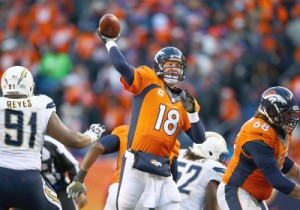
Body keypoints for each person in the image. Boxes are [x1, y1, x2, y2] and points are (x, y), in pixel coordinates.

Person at [97, 25, 206, 210]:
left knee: (173, 204)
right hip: (136, 162)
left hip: (162, 168)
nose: (173, 69)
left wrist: (193, 114)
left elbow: (199, 138)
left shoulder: (187, 100)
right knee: (123, 207)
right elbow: (122, 66)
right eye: (169, 64)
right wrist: (110, 43)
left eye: (177, 66)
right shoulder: (148, 79)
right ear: (159, 66)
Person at [0, 66, 105, 210]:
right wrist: (92, 134)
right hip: (29, 180)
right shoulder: (41, 104)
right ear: (29, 86)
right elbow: (75, 141)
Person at [217, 86, 300, 210]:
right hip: (236, 190)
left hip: (254, 195)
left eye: (291, 113)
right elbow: (276, 179)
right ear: (271, 111)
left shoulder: (278, 129)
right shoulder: (257, 134)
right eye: (285, 113)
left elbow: (281, 161)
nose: (290, 117)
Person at [66, 124, 180, 210]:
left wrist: (79, 178)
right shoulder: (172, 142)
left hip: (122, 190)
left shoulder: (126, 131)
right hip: (149, 198)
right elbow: (172, 183)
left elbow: (97, 147)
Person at [177, 131, 228, 210]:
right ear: (211, 152)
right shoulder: (212, 168)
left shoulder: (179, 155)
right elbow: (211, 206)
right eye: (220, 155)